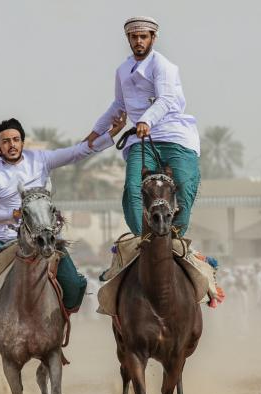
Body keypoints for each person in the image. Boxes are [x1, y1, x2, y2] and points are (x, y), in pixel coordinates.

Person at [0, 117, 126, 354]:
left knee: (75, 283)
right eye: (5, 142)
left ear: (23, 142)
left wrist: (110, 135)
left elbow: (77, 152)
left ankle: (59, 327)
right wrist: (13, 214)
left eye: (16, 139)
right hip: (2, 239)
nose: (12, 145)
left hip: (43, 237)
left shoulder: (40, 160)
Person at [85, 17, 200, 237]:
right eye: (134, 37)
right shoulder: (122, 70)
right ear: (128, 39)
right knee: (132, 189)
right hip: (141, 140)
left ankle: (176, 239)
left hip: (174, 135)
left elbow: (165, 99)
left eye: (143, 37)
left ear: (153, 38)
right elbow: (118, 105)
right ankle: (142, 240)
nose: (138, 41)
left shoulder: (162, 65)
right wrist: (95, 132)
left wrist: (146, 120)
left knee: (185, 187)